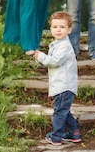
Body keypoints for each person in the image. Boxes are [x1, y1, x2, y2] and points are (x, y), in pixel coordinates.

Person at [34, 11, 81, 145]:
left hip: (64, 85)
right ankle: (74, 133)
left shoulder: (64, 46)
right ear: (51, 29)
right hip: (60, 84)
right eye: (55, 27)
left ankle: (56, 136)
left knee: (59, 112)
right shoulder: (56, 44)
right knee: (63, 111)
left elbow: (54, 61)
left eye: (62, 27)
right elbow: (51, 63)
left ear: (69, 29)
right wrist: (40, 59)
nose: (58, 30)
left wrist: (41, 57)